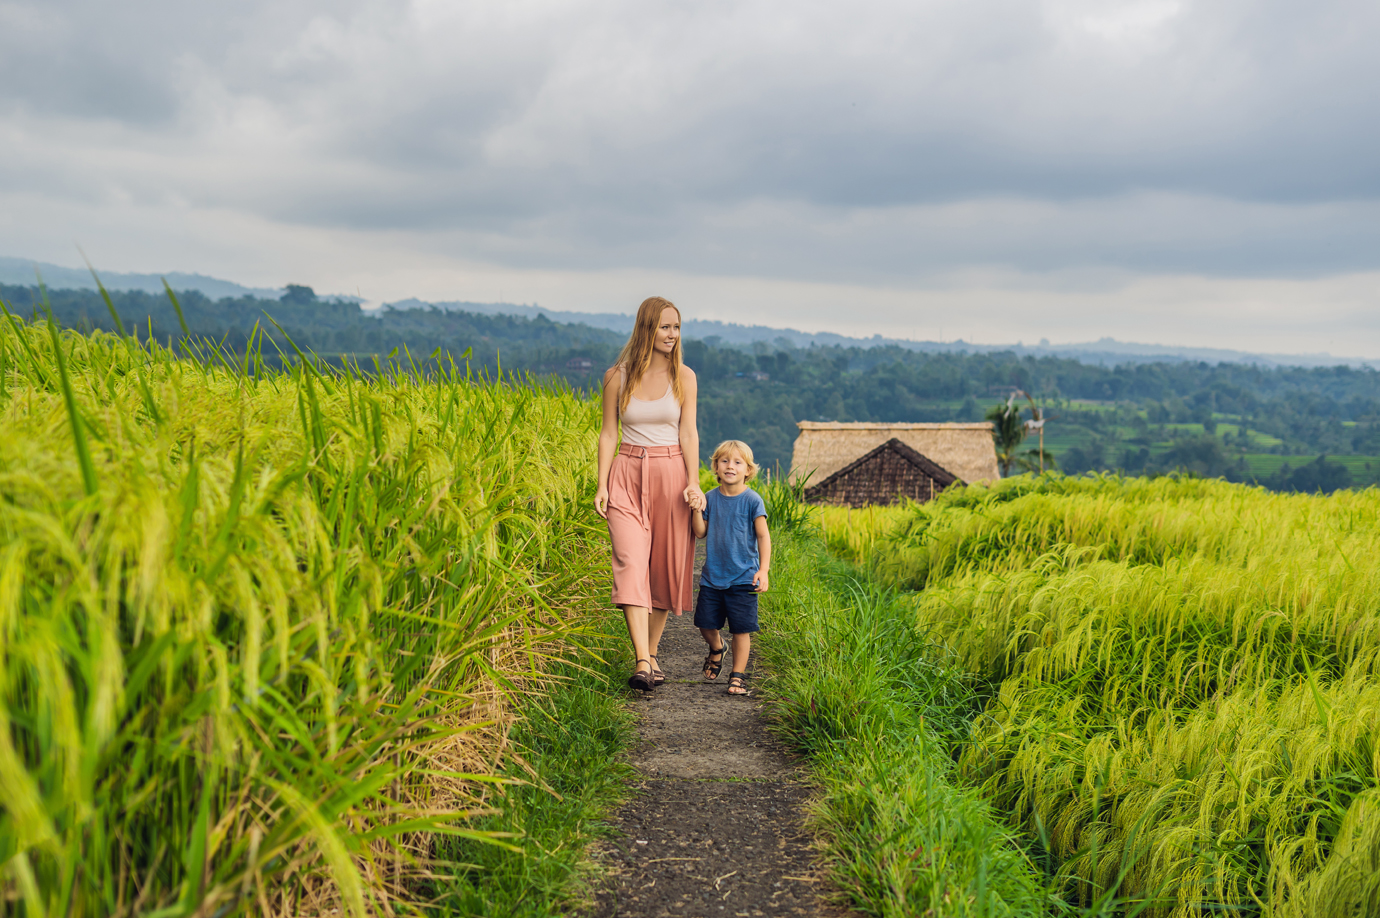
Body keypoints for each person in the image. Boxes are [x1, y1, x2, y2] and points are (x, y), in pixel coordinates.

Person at [595, 296, 704, 692]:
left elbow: (688, 433)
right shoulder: (616, 377)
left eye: (676, 327)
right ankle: (642, 658)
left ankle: (651, 655)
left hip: (671, 475)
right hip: (626, 472)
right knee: (629, 561)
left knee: (662, 570)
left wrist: (693, 481)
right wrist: (602, 483)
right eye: (665, 327)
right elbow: (609, 433)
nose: (672, 334)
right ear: (647, 328)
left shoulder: (685, 377)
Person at [690, 440, 771, 696]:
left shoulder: (752, 500)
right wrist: (696, 509)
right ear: (716, 466)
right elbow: (700, 532)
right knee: (704, 623)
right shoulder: (710, 498)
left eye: (737, 462)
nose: (730, 466)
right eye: (724, 461)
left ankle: (737, 675)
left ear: (748, 470)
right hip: (713, 577)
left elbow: (763, 536)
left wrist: (763, 570)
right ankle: (717, 647)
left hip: (744, 578)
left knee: (741, 629)